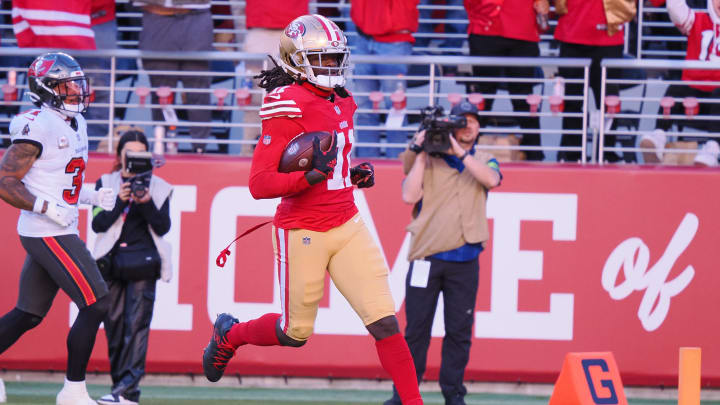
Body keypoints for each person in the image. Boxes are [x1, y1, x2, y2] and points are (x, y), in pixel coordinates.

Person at [201, 15, 424, 405]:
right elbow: (260, 184)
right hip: (303, 229)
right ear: (296, 61)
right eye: (321, 59)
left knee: (385, 323)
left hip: (348, 221)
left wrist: (352, 174)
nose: (331, 67)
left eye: (335, 58)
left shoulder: (343, 99)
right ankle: (229, 335)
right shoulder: (286, 104)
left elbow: (331, 163)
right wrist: (307, 180)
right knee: (294, 333)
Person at [0, 52, 116, 405]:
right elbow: (6, 181)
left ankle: (73, 391)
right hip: (45, 230)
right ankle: (73, 391)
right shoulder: (36, 125)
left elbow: (59, 181)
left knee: (29, 313)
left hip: (57, 226)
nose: (75, 91)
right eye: (67, 85)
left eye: (76, 84)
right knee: (97, 302)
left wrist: (90, 194)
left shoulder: (74, 123)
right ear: (46, 89)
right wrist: (45, 207)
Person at [385, 101, 501, 405]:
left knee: (459, 331)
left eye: (474, 121)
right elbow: (409, 194)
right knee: (416, 331)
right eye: (462, 121)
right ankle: (404, 396)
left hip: (465, 261)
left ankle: (453, 395)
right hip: (426, 256)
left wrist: (458, 152)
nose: (468, 126)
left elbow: (491, 180)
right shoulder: (424, 159)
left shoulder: (486, 159)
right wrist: (424, 151)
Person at [92, 130, 173, 405]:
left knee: (136, 327)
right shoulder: (105, 183)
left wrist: (146, 201)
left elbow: (163, 226)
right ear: (120, 156)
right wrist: (120, 200)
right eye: (130, 153)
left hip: (144, 263)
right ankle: (119, 389)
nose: (135, 159)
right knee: (114, 330)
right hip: (110, 263)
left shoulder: (160, 187)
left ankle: (128, 393)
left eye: (141, 153)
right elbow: (97, 223)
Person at [465, 0, 549, 161]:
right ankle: (466, 152)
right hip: (486, 28)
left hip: (522, 29)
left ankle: (534, 154)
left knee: (523, 97)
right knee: (483, 96)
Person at [639, 0, 720, 166]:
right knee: (676, 87)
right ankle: (658, 136)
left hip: (717, 102)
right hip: (693, 97)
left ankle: (712, 148)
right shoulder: (697, 20)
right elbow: (675, 8)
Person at [554, 0, 636, 162]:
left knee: (609, 104)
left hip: (608, 37)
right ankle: (572, 154)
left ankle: (606, 153)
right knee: (572, 101)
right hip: (572, 36)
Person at [132, 0, 213, 153]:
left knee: (198, 89)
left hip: (197, 19)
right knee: (162, 91)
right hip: (156, 19)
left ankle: (200, 149)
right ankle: (161, 145)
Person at [350, 0, 419, 158]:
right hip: (363, 38)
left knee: (395, 108)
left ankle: (397, 164)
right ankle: (366, 166)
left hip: (395, 40)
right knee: (364, 108)